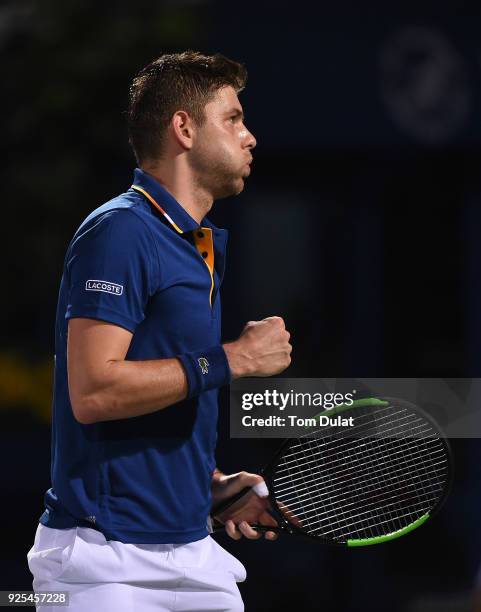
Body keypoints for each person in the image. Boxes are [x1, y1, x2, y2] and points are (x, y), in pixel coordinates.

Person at [27, 51, 292, 611]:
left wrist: (211, 487)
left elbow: (163, 394)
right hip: (103, 567)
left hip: (197, 554)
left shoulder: (199, 244)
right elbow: (95, 392)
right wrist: (233, 360)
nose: (250, 137)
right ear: (184, 127)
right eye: (234, 119)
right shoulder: (120, 232)